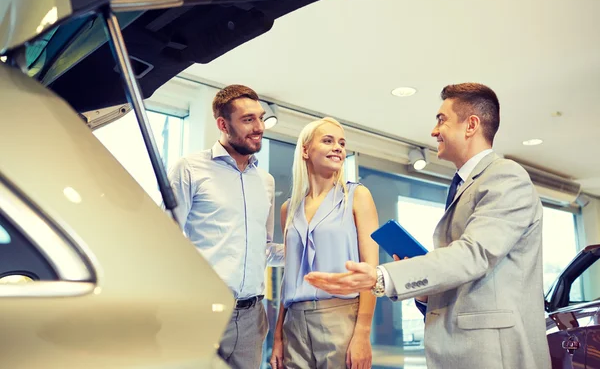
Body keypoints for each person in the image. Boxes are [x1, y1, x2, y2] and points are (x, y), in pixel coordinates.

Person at [305, 83, 551, 369]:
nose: (434, 131)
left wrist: (383, 276)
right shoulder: (463, 185)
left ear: (471, 125)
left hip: (495, 354)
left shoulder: (506, 176)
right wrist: (426, 293)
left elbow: (474, 255)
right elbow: (465, 273)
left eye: (441, 120)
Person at [167, 84, 284, 369]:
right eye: (248, 120)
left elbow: (263, 249)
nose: (259, 127)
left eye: (260, 118)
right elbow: (164, 239)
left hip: (252, 317)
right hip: (203, 313)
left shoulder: (265, 181)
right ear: (223, 124)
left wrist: (308, 248)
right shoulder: (190, 168)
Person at [269, 117, 379, 369]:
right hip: (294, 321)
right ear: (306, 150)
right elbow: (290, 277)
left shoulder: (357, 196)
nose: (338, 147)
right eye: (328, 141)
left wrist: (362, 333)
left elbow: (371, 273)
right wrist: (278, 336)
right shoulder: (289, 209)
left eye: (341, 143)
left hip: (341, 317)